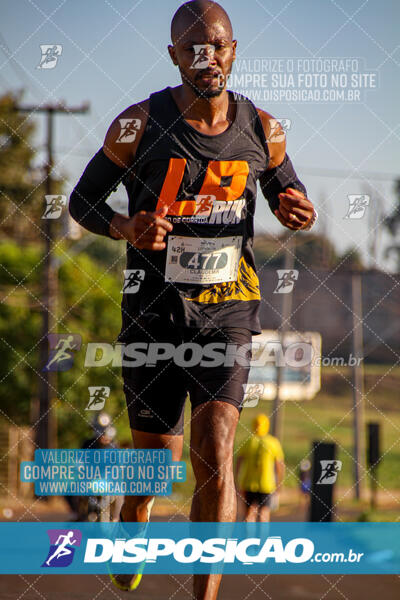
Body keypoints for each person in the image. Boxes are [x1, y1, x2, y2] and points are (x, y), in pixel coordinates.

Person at [69, 1, 317, 596]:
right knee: (156, 468)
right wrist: (127, 228)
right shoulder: (137, 124)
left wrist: (298, 208)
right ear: (174, 54)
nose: (211, 57)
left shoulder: (264, 128)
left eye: (221, 45)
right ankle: (135, 515)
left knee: (218, 453)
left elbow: (290, 190)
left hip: (229, 311)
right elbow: (82, 202)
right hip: (153, 313)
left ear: (233, 49)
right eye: (196, 48)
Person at [236, 414, 285, 523]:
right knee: (264, 513)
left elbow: (238, 463)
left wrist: (236, 481)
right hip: (266, 485)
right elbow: (279, 466)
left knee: (248, 514)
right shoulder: (273, 442)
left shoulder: (247, 442)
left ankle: (248, 538)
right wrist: (279, 483)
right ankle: (262, 538)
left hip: (248, 483)